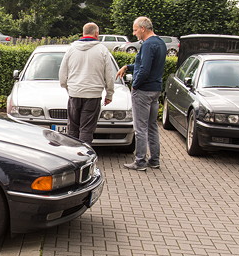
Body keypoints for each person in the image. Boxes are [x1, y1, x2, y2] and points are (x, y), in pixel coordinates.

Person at [116, 16, 167, 171]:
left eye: (135, 29)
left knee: (140, 128)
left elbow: (144, 69)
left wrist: (135, 85)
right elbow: (146, 65)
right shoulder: (160, 43)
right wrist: (128, 66)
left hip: (143, 91)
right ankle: (154, 160)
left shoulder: (147, 45)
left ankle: (140, 161)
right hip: (155, 89)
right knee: (152, 126)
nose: (134, 33)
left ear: (143, 28)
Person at [58, 22, 115, 146]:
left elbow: (62, 74)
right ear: (96, 34)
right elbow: (109, 75)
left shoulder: (71, 49)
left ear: (83, 33)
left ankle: (72, 153)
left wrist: (67, 87)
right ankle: (84, 153)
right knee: (87, 129)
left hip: (74, 93)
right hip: (93, 95)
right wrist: (109, 94)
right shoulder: (102, 50)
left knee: (73, 128)